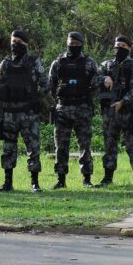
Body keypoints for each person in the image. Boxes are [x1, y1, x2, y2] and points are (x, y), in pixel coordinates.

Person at [0, 29, 49, 192]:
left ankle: (34, 183)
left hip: (28, 113)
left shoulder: (34, 62)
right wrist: (0, 115)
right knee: (8, 149)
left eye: (18, 42)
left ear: (26, 44)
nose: (15, 45)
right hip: (9, 113)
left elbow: (46, 84)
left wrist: (36, 97)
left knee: (33, 148)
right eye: (13, 41)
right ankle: (7, 183)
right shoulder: (5, 64)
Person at [48, 32, 98, 188]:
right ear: (67, 43)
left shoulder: (89, 62)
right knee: (61, 146)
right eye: (71, 43)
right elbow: (51, 85)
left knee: (85, 145)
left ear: (82, 44)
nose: (74, 46)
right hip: (63, 108)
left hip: (82, 108)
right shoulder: (58, 63)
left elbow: (96, 84)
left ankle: (87, 179)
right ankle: (61, 180)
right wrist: (57, 101)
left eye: (77, 44)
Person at [94, 35, 133, 187]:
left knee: (132, 145)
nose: (119, 48)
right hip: (109, 111)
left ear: (129, 48)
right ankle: (108, 178)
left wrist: (123, 102)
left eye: (123, 45)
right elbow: (92, 79)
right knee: (109, 145)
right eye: (117, 46)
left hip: (128, 111)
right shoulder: (106, 65)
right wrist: (104, 78)